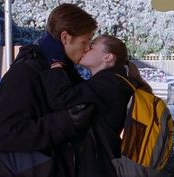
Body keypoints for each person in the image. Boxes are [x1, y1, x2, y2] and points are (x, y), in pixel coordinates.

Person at [0, 3, 97, 177]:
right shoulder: (25, 73)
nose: (88, 48)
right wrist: (65, 122)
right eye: (84, 42)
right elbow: (3, 134)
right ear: (65, 37)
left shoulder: (61, 69)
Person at [41, 34, 152, 177]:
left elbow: (61, 99)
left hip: (99, 165)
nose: (86, 48)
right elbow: (81, 91)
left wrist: (55, 65)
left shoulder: (108, 83)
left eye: (92, 47)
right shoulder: (114, 82)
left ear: (108, 57)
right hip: (108, 162)